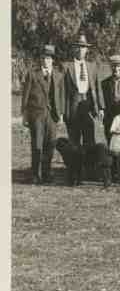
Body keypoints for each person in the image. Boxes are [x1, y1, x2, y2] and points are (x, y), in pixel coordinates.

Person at [21, 44, 66, 184]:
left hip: (52, 115)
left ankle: (47, 173)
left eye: (49, 58)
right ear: (41, 59)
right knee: (37, 144)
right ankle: (35, 174)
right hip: (36, 114)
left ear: (53, 60)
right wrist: (24, 115)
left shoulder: (58, 75)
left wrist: (61, 114)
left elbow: (62, 95)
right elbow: (25, 95)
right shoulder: (33, 74)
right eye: (44, 57)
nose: (46, 60)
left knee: (50, 144)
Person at [63, 33, 104, 150]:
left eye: (83, 47)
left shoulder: (92, 66)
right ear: (74, 49)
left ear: (87, 50)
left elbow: (97, 87)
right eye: (78, 46)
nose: (81, 50)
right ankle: (75, 167)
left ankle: (89, 167)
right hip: (73, 105)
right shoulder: (67, 66)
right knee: (74, 138)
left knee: (89, 137)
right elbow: (62, 90)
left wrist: (100, 107)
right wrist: (63, 112)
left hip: (88, 103)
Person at [100, 54, 120, 142]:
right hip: (110, 117)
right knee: (111, 141)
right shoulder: (104, 83)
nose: (116, 69)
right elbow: (102, 100)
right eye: (113, 66)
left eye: (118, 66)